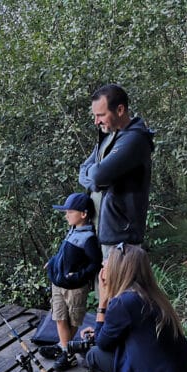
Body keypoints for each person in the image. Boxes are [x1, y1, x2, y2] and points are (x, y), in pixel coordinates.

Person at [83, 243, 187, 372]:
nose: (104, 263)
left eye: (108, 260)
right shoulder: (150, 293)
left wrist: (103, 301)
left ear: (120, 268)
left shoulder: (123, 302)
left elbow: (103, 344)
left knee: (92, 356)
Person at [78, 84, 155, 260]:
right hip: (104, 232)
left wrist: (95, 178)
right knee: (105, 287)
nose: (96, 121)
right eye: (95, 115)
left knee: (120, 288)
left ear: (120, 110)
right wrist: (95, 181)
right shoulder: (110, 137)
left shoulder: (134, 140)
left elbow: (98, 175)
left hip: (122, 239)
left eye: (101, 115)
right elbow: (83, 170)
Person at [39, 193, 102, 371]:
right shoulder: (73, 230)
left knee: (72, 320)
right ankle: (64, 348)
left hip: (74, 288)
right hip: (58, 283)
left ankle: (67, 353)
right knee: (59, 317)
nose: (66, 215)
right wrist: (52, 262)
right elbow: (64, 255)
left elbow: (94, 263)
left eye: (69, 212)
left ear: (83, 214)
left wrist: (77, 276)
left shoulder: (88, 238)